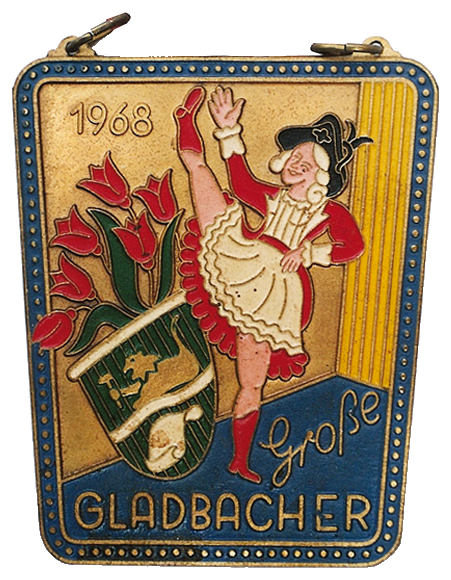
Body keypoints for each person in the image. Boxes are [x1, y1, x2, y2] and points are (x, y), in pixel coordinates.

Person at [175, 85, 370, 483]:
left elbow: (353, 246)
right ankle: (184, 121)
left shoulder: (330, 211)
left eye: (307, 162)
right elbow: (240, 182)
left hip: (276, 293)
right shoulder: (271, 196)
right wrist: (228, 130)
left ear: (320, 175)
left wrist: (310, 252)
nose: (297, 164)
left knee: (251, 381)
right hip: (243, 258)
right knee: (201, 176)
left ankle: (238, 461)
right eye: (295, 156)